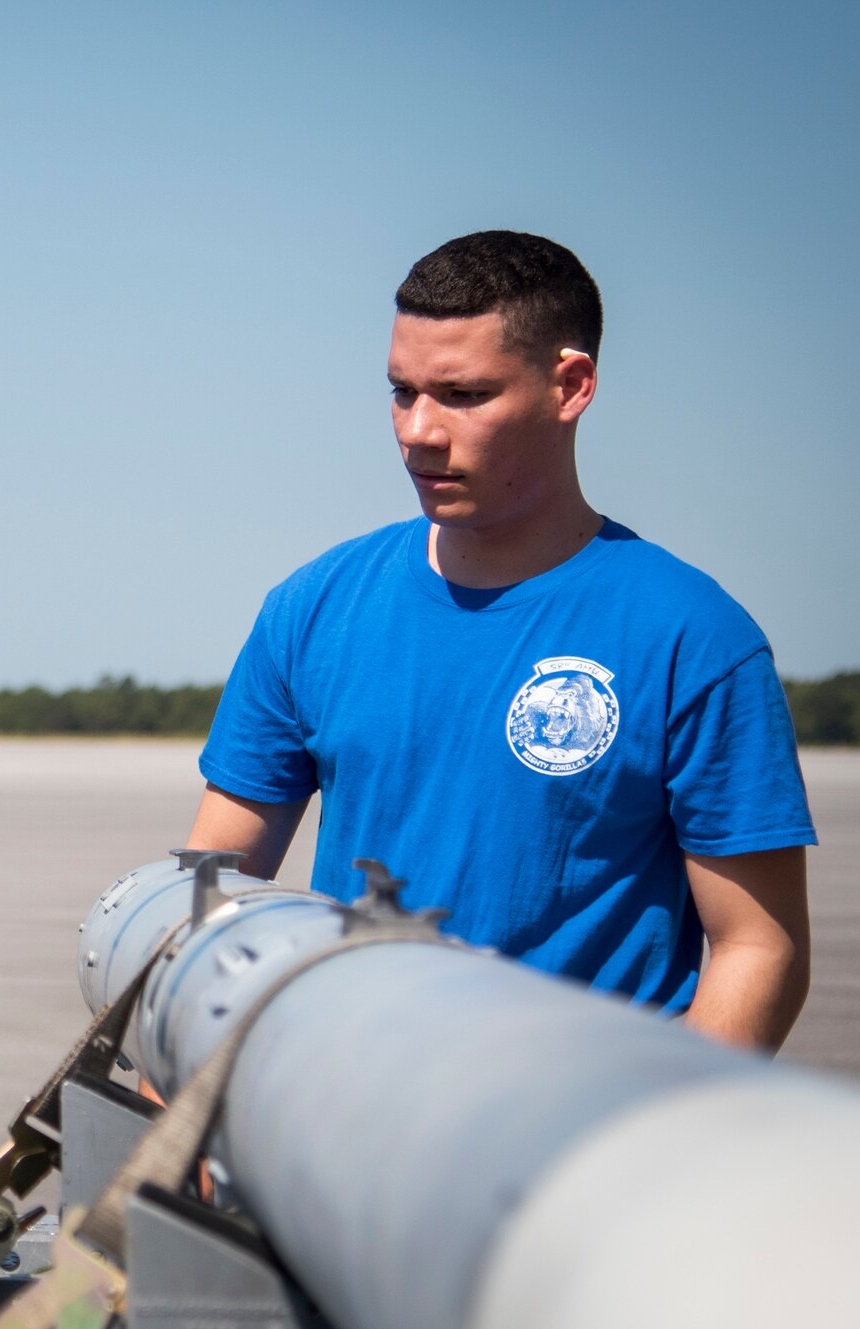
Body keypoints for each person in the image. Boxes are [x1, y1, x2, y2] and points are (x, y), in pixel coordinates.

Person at [186, 231, 814, 1050]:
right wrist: (169, 1093)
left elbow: (758, 945)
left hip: (575, 1112)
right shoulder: (314, 608)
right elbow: (213, 892)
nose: (418, 430)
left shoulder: (692, 637)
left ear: (570, 386)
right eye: (402, 391)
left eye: (464, 394)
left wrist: (667, 1120)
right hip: (339, 1099)